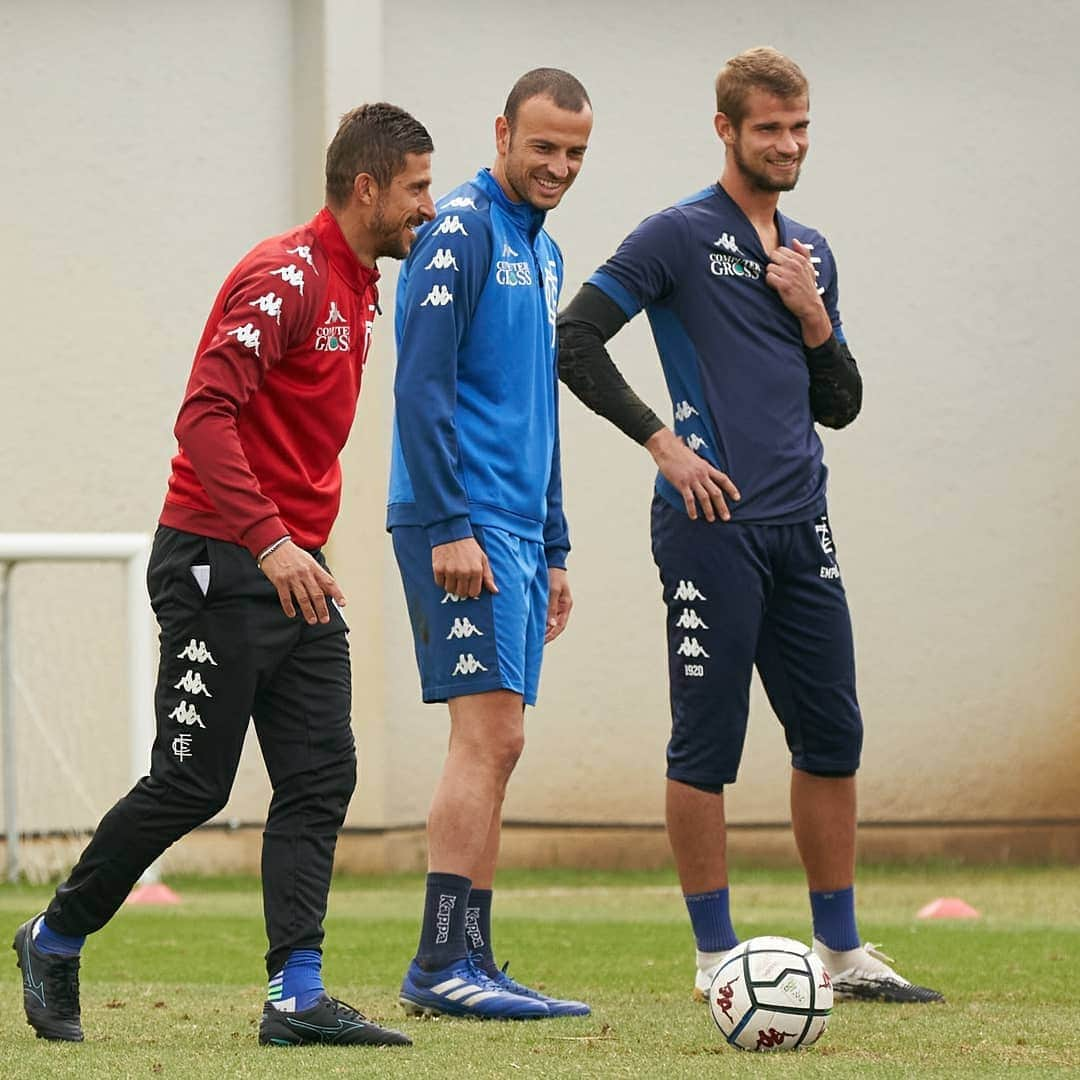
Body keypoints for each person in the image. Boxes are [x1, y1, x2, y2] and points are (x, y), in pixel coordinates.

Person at [13, 103, 437, 1047]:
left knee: (324, 771)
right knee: (191, 783)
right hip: (219, 557)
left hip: (294, 567)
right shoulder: (283, 275)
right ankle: (55, 934)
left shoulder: (361, 286)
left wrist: (298, 549)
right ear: (365, 188)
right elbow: (202, 415)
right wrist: (271, 540)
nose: (427, 205)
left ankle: (296, 995)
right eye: (415, 187)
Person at [557, 47, 944, 1005]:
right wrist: (663, 445)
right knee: (707, 741)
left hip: (801, 525)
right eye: (768, 127)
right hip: (709, 527)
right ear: (726, 130)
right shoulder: (676, 236)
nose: (788, 144)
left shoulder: (807, 252)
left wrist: (815, 315)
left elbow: (841, 406)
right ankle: (713, 956)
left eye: (800, 126)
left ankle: (844, 952)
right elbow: (574, 339)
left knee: (832, 736)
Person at [387, 69, 593, 1021]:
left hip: (514, 529)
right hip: (458, 526)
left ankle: (472, 956)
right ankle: (439, 967)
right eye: (543, 146)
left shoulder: (542, 253)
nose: (557, 167)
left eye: (575, 154)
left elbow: (540, 405)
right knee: (486, 737)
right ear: (503, 132)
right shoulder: (460, 231)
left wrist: (554, 546)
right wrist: (449, 525)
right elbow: (420, 387)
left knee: (502, 743)